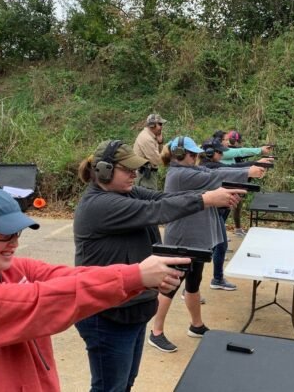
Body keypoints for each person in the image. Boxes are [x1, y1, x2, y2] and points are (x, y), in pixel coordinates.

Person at [0, 183, 187, 392]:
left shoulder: (7, 270)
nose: (14, 243)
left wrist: (138, 279)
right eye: (3, 233)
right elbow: (40, 301)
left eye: (16, 233)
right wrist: (135, 276)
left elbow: (71, 278)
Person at [73, 139, 244, 391]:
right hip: (106, 314)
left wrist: (210, 195)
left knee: (125, 383)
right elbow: (158, 210)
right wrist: (207, 199)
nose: (135, 174)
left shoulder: (125, 192)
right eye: (127, 169)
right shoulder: (99, 205)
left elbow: (165, 198)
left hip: (130, 309)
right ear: (103, 170)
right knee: (110, 388)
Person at [148, 136, 265, 354]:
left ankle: (196, 325)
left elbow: (214, 175)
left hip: (197, 238)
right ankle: (156, 332)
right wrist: (248, 172)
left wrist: (240, 180)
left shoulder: (192, 171)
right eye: (192, 154)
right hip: (183, 238)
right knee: (170, 286)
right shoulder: (180, 174)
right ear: (180, 155)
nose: (196, 157)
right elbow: (215, 175)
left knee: (193, 283)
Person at [199, 137, 272, 283]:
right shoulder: (208, 167)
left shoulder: (211, 164)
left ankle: (213, 280)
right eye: (219, 152)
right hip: (206, 212)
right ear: (209, 153)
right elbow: (233, 169)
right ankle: (210, 282)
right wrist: (254, 165)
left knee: (216, 246)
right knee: (213, 247)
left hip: (212, 211)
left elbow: (233, 167)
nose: (221, 155)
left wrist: (255, 164)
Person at [221, 130, 273, 236]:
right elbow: (241, 152)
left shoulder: (230, 152)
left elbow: (242, 155)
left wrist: (258, 161)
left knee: (228, 210)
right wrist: (260, 151)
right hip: (229, 185)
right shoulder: (225, 152)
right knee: (224, 211)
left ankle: (226, 232)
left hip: (235, 184)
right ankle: (224, 234)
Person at [132, 113, 166, 190]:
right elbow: (157, 160)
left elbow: (159, 152)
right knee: (150, 199)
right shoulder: (147, 139)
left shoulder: (151, 136)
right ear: (152, 125)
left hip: (147, 174)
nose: (161, 127)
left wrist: (160, 142)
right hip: (145, 176)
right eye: (160, 124)